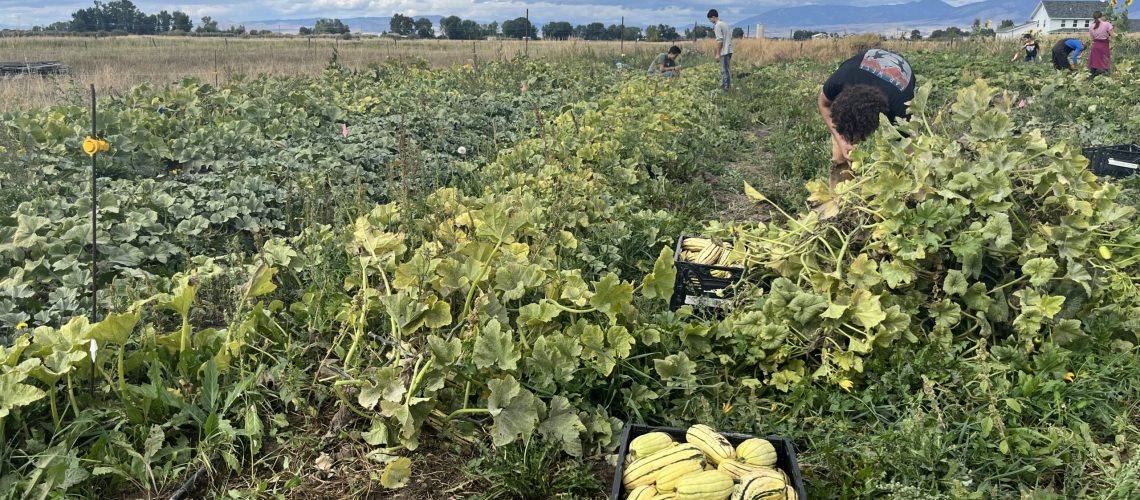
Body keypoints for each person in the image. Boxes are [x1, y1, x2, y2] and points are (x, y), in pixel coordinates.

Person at [818, 48, 915, 188]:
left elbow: (904, 151)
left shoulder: (900, 109)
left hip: (900, 80)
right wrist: (841, 140)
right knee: (840, 152)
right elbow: (823, 104)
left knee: (908, 158)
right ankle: (839, 192)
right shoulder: (838, 81)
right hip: (857, 70)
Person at [707, 9, 733, 91]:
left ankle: (726, 89)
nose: (710, 21)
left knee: (724, 70)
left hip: (724, 51)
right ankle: (725, 86)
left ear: (713, 17)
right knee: (726, 69)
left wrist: (718, 53)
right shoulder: (724, 24)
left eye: (710, 19)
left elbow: (720, 40)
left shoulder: (717, 26)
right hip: (729, 50)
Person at [1088, 11, 1114, 77]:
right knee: (1105, 61)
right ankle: (1106, 76)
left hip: (1095, 46)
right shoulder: (1107, 24)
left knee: (1094, 62)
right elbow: (1113, 35)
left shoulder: (1091, 26)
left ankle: (1092, 77)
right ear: (1101, 16)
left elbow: (1092, 39)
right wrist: (1122, 36)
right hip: (1104, 45)